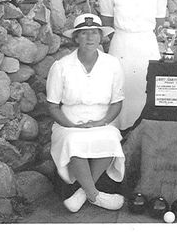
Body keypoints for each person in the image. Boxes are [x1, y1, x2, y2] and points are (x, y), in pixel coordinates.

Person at [46, 13, 125, 213]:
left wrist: (102, 122)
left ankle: (82, 193)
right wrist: (71, 125)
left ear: (101, 37)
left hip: (102, 120)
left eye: (94, 33)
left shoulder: (112, 64)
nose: (90, 38)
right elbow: (53, 106)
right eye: (84, 33)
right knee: (73, 140)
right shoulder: (61, 66)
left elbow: (117, 102)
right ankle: (95, 195)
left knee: (111, 138)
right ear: (76, 38)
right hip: (69, 121)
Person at [99, 0, 168, 132]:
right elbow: (107, 24)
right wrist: (122, 39)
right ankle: (117, 135)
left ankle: (144, 134)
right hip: (121, 44)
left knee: (145, 89)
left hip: (147, 45)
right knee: (119, 89)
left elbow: (159, 26)